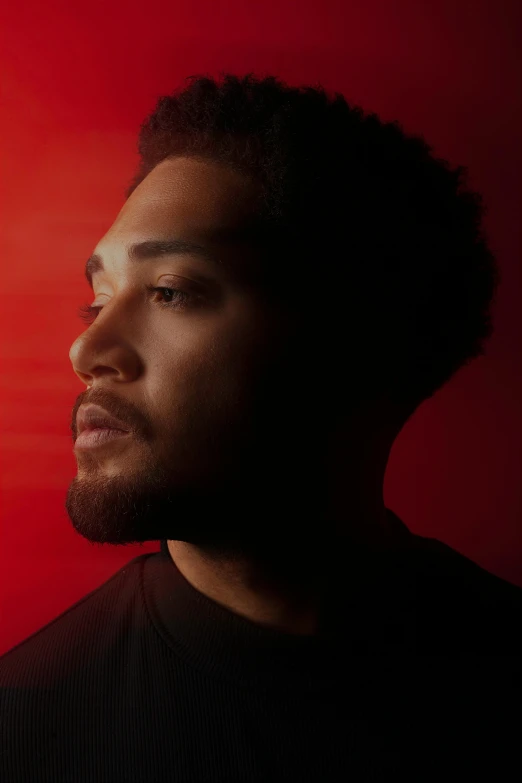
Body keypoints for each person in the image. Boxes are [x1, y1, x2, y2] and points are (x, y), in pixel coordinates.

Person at [1, 72, 520, 782]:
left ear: (352, 345)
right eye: (97, 301)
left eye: (169, 291)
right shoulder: (28, 729)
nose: (86, 351)